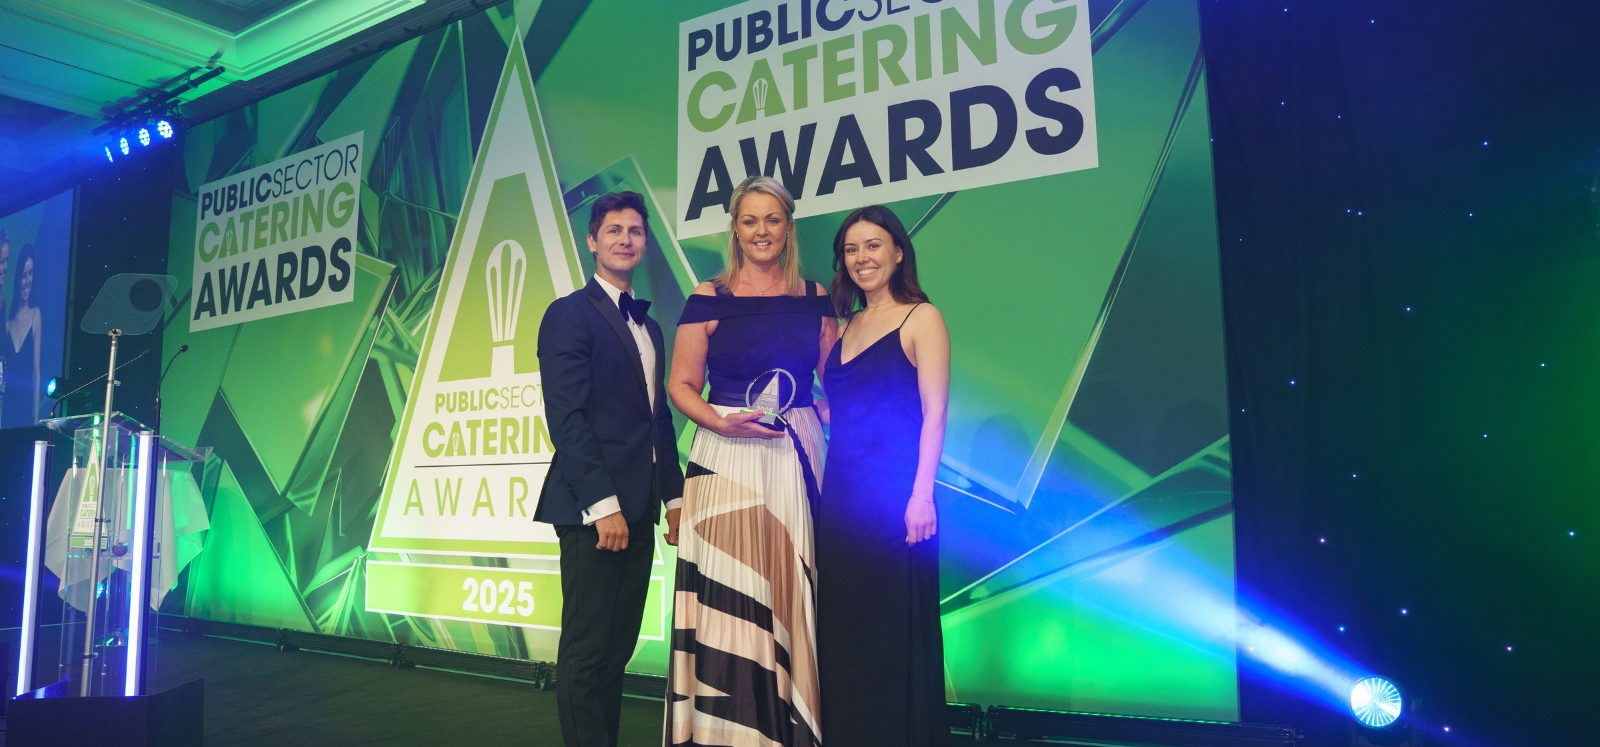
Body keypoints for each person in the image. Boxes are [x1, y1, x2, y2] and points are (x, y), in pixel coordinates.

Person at [666, 176, 837, 746]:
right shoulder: (708, 297)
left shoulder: (816, 298)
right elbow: (682, 384)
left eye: (772, 220)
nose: (761, 231)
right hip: (724, 458)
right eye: (749, 220)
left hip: (790, 459)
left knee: (787, 593)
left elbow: (832, 386)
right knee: (725, 595)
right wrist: (718, 419)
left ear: (788, 227)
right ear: (735, 229)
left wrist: (827, 425)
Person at [535, 191, 685, 747]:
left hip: (641, 508)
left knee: (617, 650)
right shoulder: (569, 314)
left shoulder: (651, 330)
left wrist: (672, 499)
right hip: (592, 511)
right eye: (614, 230)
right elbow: (567, 419)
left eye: (636, 232)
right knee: (587, 649)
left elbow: (658, 421)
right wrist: (603, 508)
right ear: (592, 241)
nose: (626, 239)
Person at [816, 205, 951, 746]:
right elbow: (842, 410)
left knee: (895, 636)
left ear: (898, 252)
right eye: (851, 249)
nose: (862, 258)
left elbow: (935, 414)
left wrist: (922, 496)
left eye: (873, 245)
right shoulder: (844, 326)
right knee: (845, 632)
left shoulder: (923, 318)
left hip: (898, 500)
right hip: (840, 502)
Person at [5, 243, 41, 429]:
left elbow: (36, 373)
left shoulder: (36, 315)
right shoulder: (7, 323)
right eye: (24, 274)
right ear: (18, 276)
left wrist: (35, 420)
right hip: (6, 413)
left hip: (25, 415)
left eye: (31, 273)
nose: (27, 281)